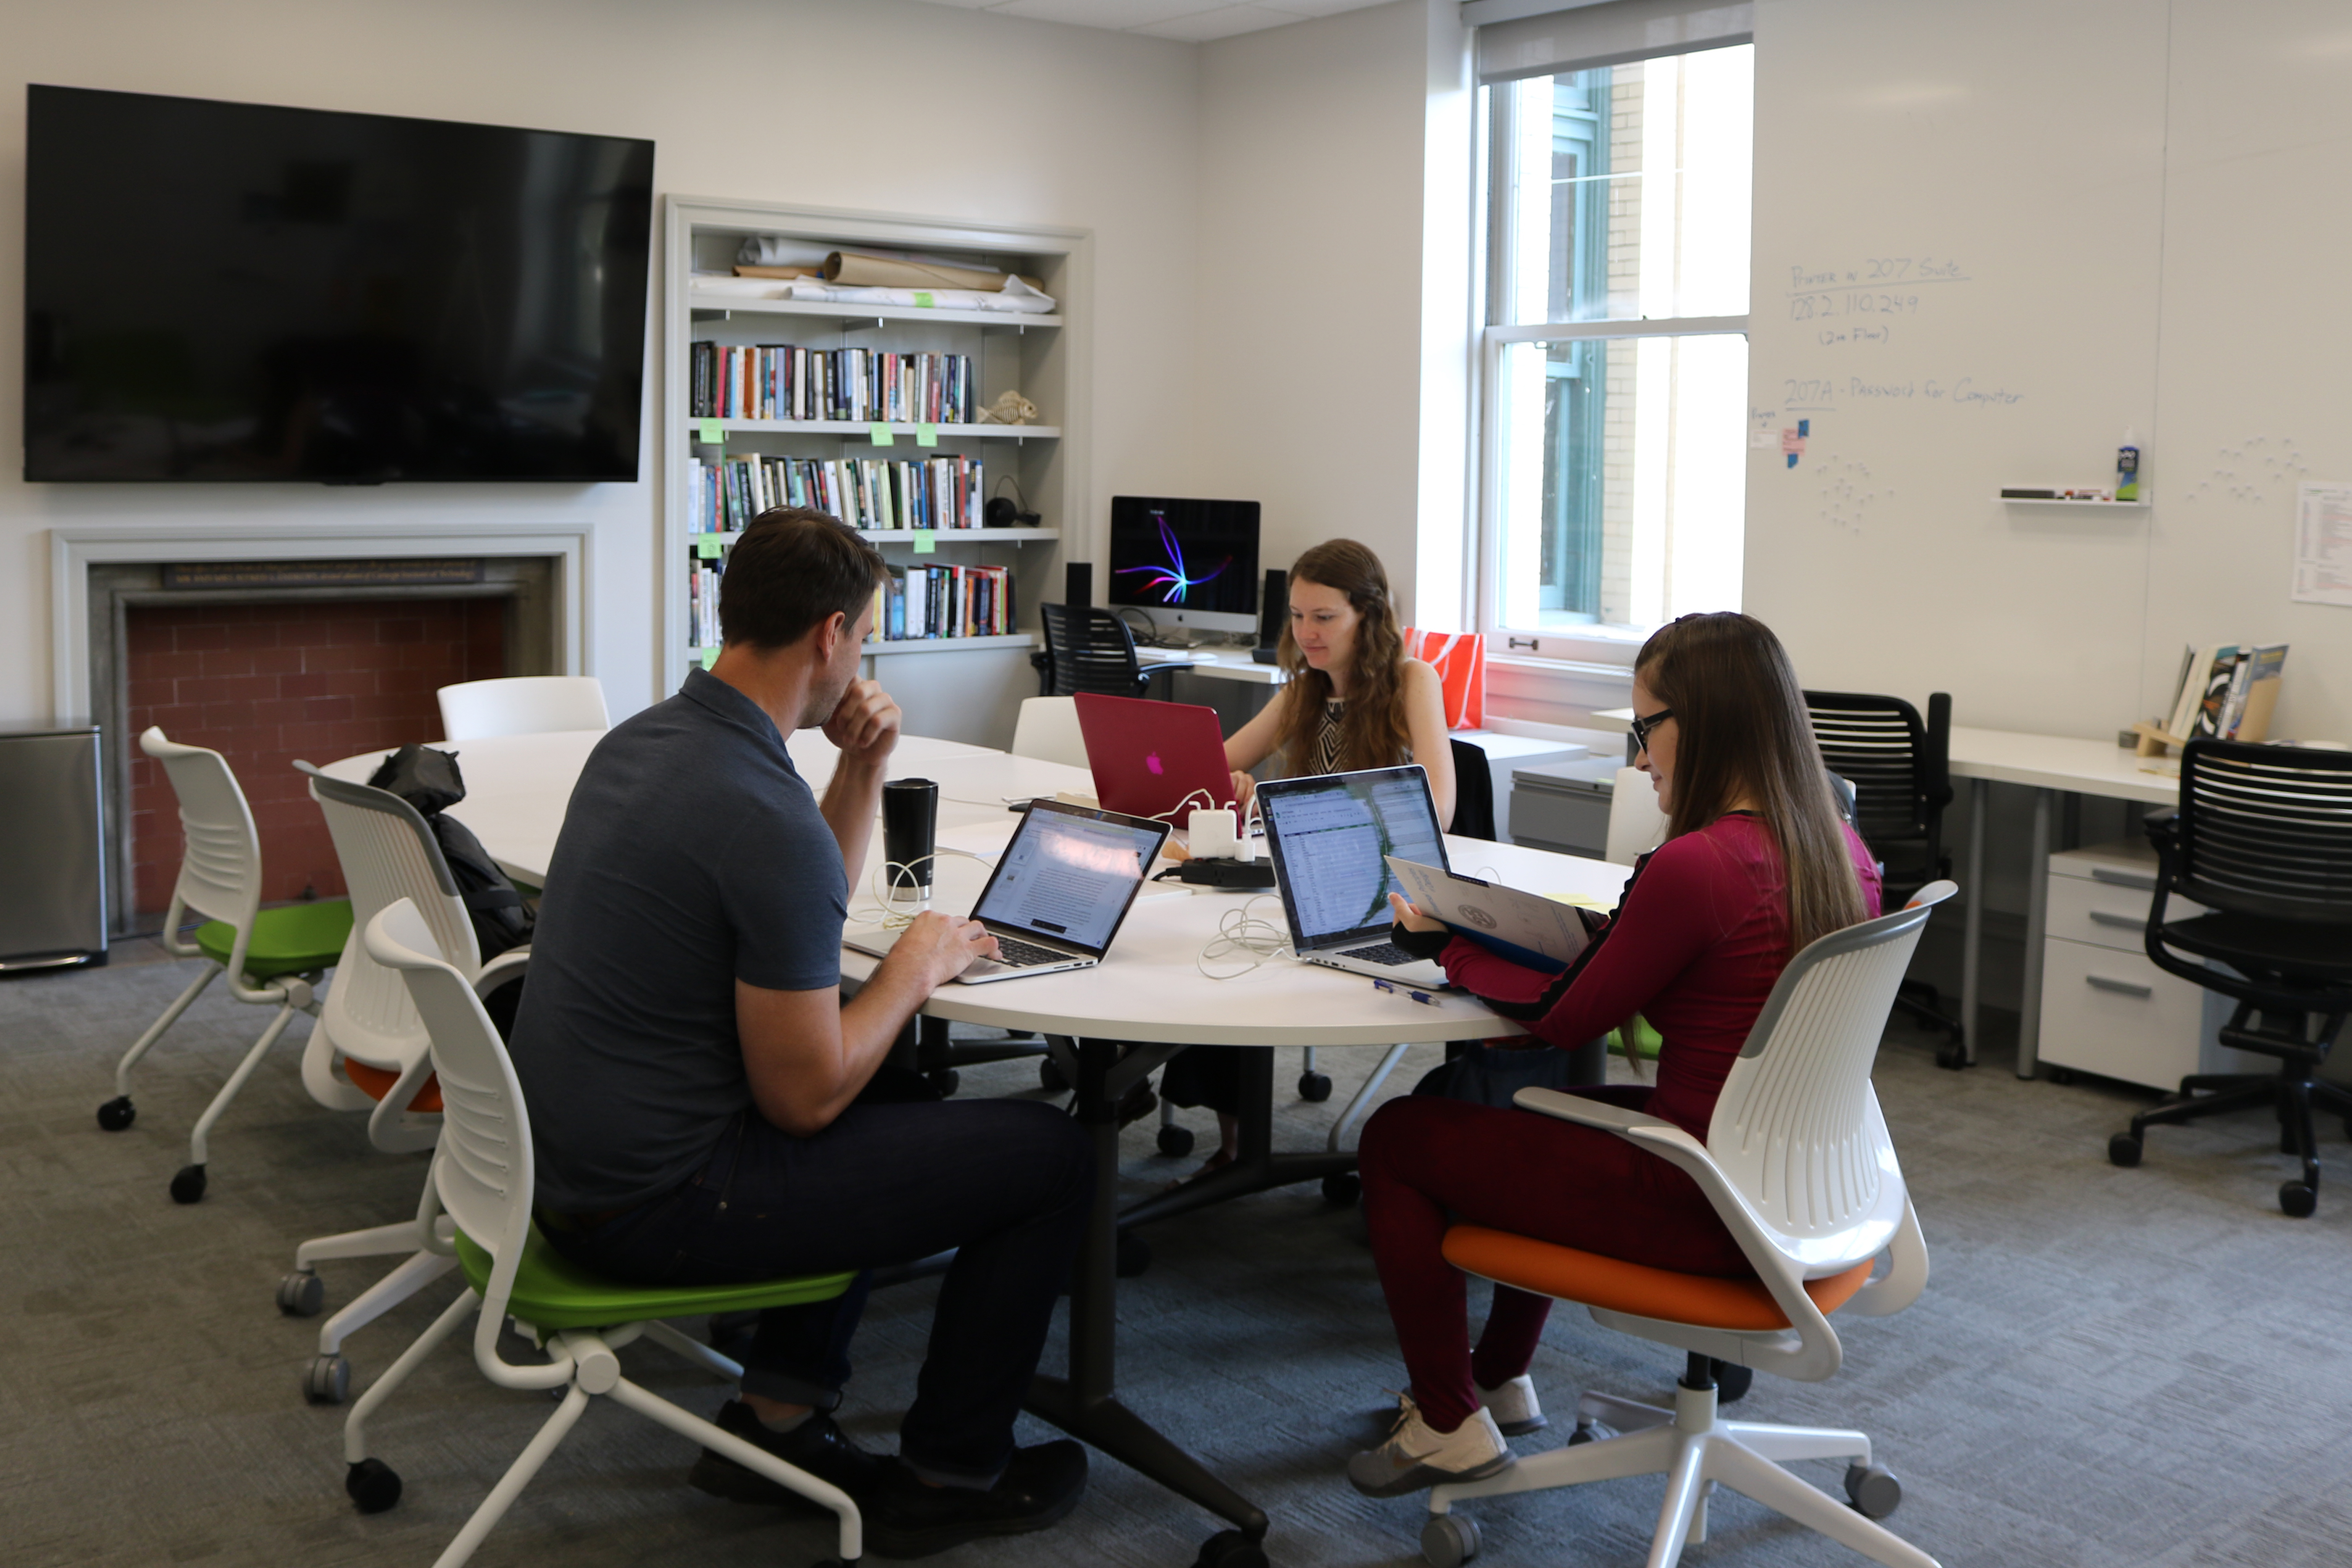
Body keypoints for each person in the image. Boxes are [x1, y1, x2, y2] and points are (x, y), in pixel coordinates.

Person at [505, 508, 1095, 1558]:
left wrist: (862, 766)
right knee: (1054, 1154)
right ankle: (948, 1474)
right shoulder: (757, 811)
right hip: (654, 1201)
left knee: (901, 1095)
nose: (861, 660)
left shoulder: (646, 743)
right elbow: (804, 1098)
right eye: (863, 638)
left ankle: (773, 1419)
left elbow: (798, 913)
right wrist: (915, 967)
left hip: (563, 1165)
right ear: (831, 635)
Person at [1343, 611, 1883, 1498]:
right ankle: (1501, 1379)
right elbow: (1663, 956)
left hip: (1707, 1203)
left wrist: (1448, 941)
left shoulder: (1702, 863)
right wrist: (1535, 930)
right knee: (1524, 1122)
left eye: (1647, 729)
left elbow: (1561, 1017)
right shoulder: (1840, 848)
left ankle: (1447, 1422)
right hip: (1804, 1180)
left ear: (1700, 724)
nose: (1640, 759)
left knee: (1402, 1134)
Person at [1157, 538, 1455, 1180]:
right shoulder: (1306, 690)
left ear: (1367, 617)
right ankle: (1234, 1138)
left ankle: (1235, 1145)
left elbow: (1440, 807)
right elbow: (1218, 764)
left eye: (1325, 617)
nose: (1307, 633)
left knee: (1231, 956)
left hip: (1383, 888)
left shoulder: (1412, 679)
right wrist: (1229, 785)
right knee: (1210, 950)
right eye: (1297, 616)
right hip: (1308, 879)